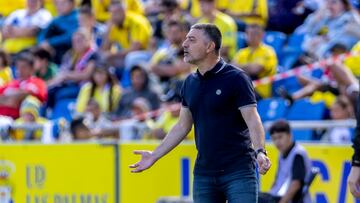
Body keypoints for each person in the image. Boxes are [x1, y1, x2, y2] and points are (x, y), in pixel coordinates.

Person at [130, 23, 271, 202]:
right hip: (204, 174)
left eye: (192, 39)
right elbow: (182, 126)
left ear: (209, 46)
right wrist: (154, 155)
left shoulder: (236, 78)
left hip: (239, 171)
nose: (184, 44)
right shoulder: (189, 82)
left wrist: (260, 151)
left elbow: (253, 119)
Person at [258, 119, 312, 203]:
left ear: (290, 135)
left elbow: (296, 184)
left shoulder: (298, 154)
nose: (277, 142)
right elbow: (277, 181)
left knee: (254, 197)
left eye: (280, 137)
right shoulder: (282, 154)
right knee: (252, 195)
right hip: (276, 196)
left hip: (287, 200)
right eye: (274, 139)